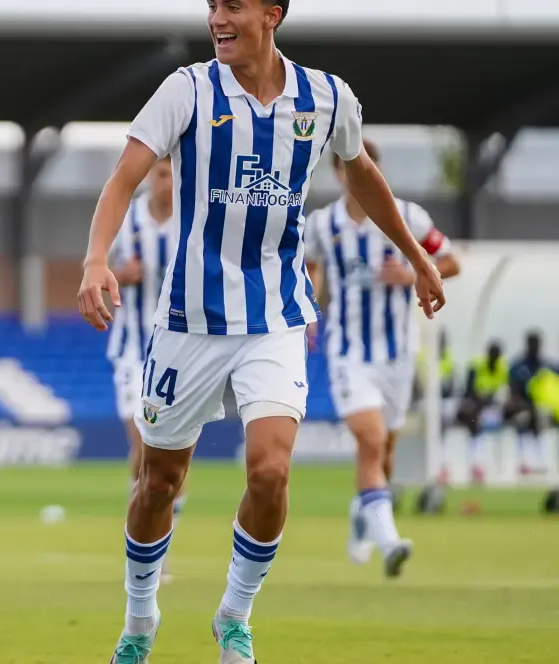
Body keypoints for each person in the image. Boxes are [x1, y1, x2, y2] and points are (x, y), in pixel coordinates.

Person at [74, 1, 446, 662]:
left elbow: (363, 173)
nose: (217, 18)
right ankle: (139, 620)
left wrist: (418, 258)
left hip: (275, 318)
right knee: (158, 482)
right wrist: (95, 259)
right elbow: (123, 178)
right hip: (189, 323)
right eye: (211, 6)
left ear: (272, 13)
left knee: (271, 471)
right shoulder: (187, 90)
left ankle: (235, 616)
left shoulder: (326, 98)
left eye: (232, 5)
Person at [303, 138, 460, 575]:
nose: (359, 173)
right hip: (347, 351)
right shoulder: (321, 224)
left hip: (397, 353)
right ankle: (390, 544)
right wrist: (309, 311)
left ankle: (363, 513)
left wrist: (410, 275)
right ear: (338, 173)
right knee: (370, 440)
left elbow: (451, 262)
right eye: (350, 166)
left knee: (383, 451)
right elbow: (311, 270)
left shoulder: (407, 216)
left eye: (366, 164)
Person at [106, 156, 184, 583]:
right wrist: (119, 274)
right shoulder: (127, 218)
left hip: (180, 353)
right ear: (151, 176)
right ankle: (146, 534)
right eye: (161, 173)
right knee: (142, 447)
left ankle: (160, 545)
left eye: (174, 173)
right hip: (132, 351)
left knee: (171, 455)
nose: (167, 181)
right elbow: (95, 270)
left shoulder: (193, 218)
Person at [454, 340, 507, 483]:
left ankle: (480, 463)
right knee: (473, 417)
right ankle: (476, 463)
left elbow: (504, 392)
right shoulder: (477, 365)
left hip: (493, 409)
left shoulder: (503, 368)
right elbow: (469, 391)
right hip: (477, 407)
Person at [508, 331, 555, 477]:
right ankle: (524, 461)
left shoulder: (547, 366)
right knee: (524, 418)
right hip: (524, 408)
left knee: (540, 416)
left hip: (545, 409)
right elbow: (513, 391)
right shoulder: (518, 366)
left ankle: (543, 461)